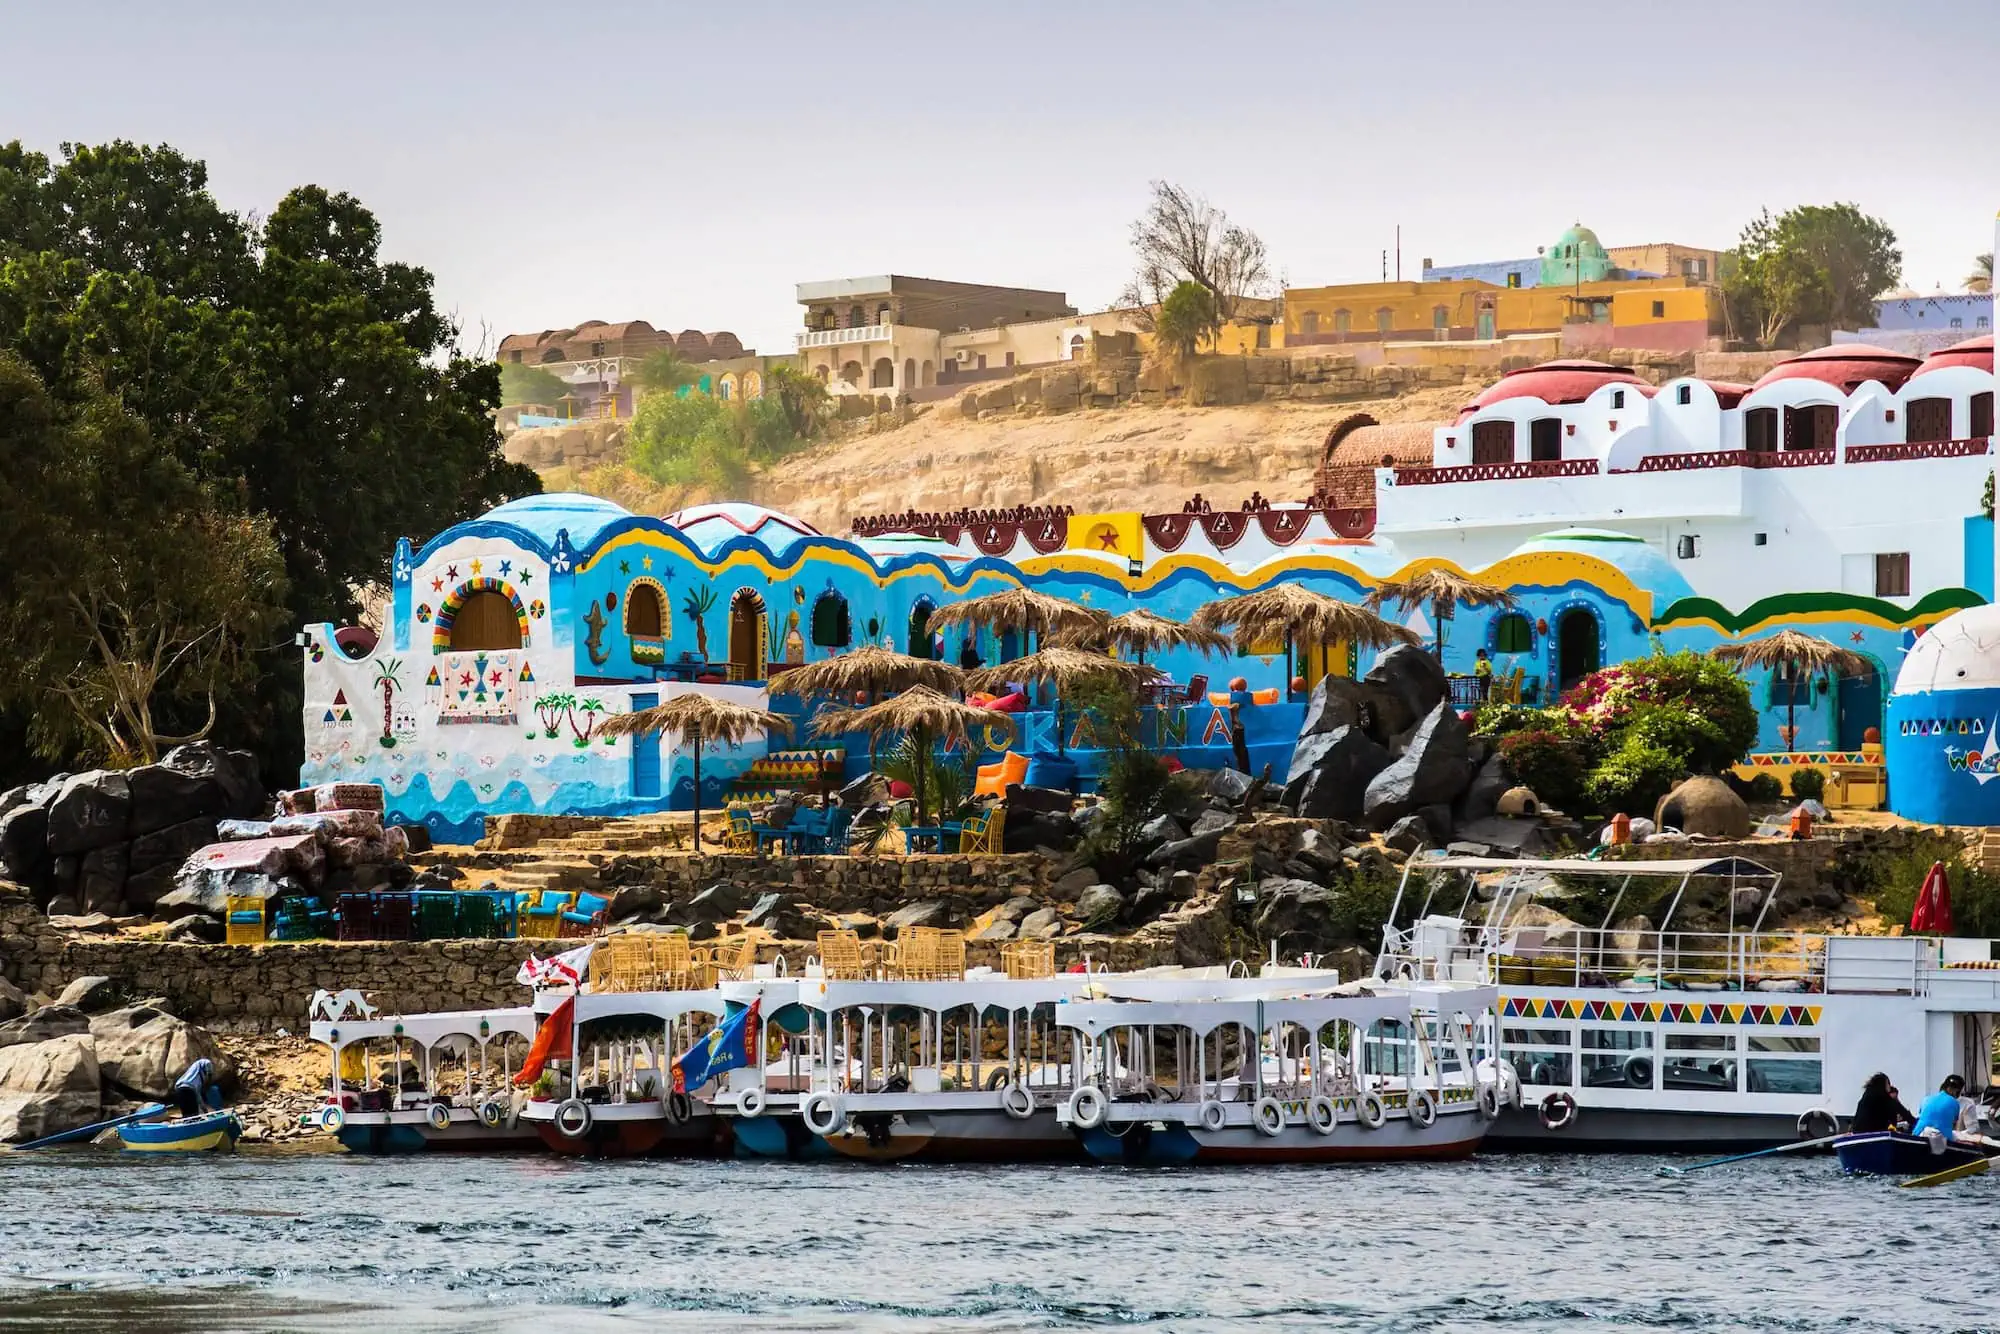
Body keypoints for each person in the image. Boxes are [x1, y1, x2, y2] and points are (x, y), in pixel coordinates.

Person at [1912, 1074, 1969, 1141]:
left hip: (1917, 1136)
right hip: (1941, 1142)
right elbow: (1954, 1125)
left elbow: (1922, 1116)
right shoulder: (1955, 1103)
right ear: (1955, 1090)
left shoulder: (1926, 1099)